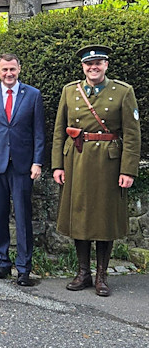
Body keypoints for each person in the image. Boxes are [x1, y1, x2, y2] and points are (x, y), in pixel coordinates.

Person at [52, 45, 140, 296]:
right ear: (83, 67)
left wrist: (128, 170)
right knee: (79, 214)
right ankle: (83, 273)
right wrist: (57, 165)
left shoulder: (123, 92)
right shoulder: (70, 91)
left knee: (104, 217)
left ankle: (102, 275)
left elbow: (132, 135)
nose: (94, 67)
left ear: (106, 65)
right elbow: (59, 130)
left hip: (108, 163)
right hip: (76, 160)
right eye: (89, 64)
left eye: (99, 63)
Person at [0, 54, 45, 286]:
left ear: (19, 69)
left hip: (23, 165)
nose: (8, 73)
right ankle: (3, 263)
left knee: (23, 217)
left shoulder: (33, 95)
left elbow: (38, 132)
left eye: (12, 69)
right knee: (0, 215)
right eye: (4, 69)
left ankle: (24, 268)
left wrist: (37, 162)